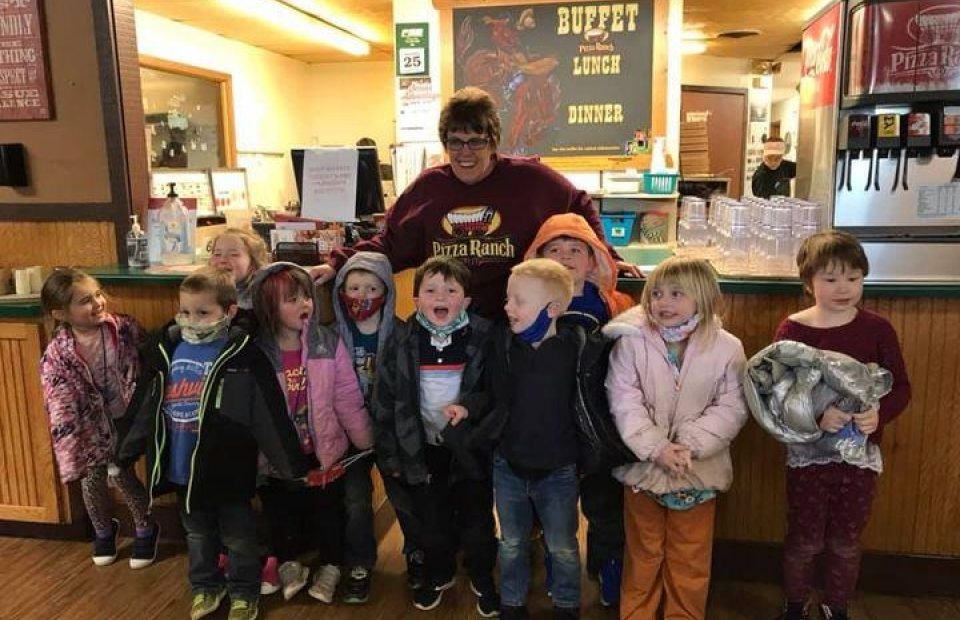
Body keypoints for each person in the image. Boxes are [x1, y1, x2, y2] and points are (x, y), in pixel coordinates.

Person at [311, 86, 640, 320]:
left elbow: (578, 205)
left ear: (493, 142)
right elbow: (390, 244)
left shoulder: (531, 179)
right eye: (455, 142)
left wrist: (607, 256)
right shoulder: (428, 188)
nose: (464, 152)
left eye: (475, 142)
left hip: (515, 321)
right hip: (447, 321)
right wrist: (339, 263)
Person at [115, 267, 308, 620]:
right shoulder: (166, 351)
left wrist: (290, 465)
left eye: (203, 312)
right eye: (186, 311)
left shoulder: (243, 356)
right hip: (181, 466)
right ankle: (205, 587)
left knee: (239, 536)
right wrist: (123, 453)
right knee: (197, 535)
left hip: (228, 467)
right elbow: (144, 407)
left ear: (229, 311)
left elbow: (268, 413)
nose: (192, 320)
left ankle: (244, 591)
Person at [772, 232, 911, 620]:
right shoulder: (793, 331)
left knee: (846, 541)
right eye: (831, 279)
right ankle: (795, 603)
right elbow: (778, 395)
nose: (843, 288)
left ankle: (836, 606)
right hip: (808, 456)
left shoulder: (878, 329)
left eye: (853, 278)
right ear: (808, 282)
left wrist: (879, 414)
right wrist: (815, 417)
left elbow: (901, 387)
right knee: (804, 539)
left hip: (859, 458)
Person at [603, 257, 749, 620]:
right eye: (656, 294)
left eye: (676, 294)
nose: (663, 302)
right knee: (643, 553)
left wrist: (689, 445)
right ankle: (636, 614)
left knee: (690, 556)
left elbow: (732, 405)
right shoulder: (630, 342)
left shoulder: (728, 348)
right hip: (643, 470)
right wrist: (656, 447)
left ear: (703, 298)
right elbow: (623, 400)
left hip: (697, 471)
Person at [371, 256, 499, 616]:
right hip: (421, 449)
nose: (440, 296)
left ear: (466, 300)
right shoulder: (400, 339)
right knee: (432, 522)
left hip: (469, 448)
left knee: (477, 520)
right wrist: (390, 456)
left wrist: (469, 408)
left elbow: (494, 392)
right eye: (430, 290)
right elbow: (384, 400)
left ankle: (482, 574)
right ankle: (439, 573)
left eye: (451, 290)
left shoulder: (484, 336)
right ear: (415, 300)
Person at [248, 262, 374, 606]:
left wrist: (364, 439)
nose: (305, 303)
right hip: (276, 455)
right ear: (268, 307)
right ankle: (289, 563)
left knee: (328, 512)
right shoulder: (258, 350)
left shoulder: (327, 342)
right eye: (292, 299)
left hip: (325, 450)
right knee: (281, 512)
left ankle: (331, 565)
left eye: (306, 296)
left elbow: (346, 395)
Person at [526, 212, 634, 607]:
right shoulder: (527, 303)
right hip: (549, 423)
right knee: (554, 506)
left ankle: (607, 565)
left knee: (604, 503)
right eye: (555, 249)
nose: (566, 256)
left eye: (576, 249)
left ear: (594, 260)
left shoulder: (614, 304)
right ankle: (558, 565)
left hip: (598, 423)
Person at [485, 259, 588, 620]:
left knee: (562, 546)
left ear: (552, 309)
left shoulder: (576, 350)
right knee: (511, 543)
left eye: (518, 300)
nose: (507, 307)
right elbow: (490, 395)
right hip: (509, 466)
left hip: (559, 470)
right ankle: (512, 603)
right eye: (507, 299)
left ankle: (567, 605)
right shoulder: (504, 346)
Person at [39, 268, 159, 569]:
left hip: (126, 418)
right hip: (89, 426)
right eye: (84, 301)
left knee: (121, 472)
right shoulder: (57, 354)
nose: (97, 303)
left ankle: (146, 527)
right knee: (92, 479)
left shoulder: (124, 329)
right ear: (60, 314)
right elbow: (59, 403)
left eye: (97, 294)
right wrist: (70, 450)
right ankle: (103, 531)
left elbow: (150, 361)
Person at [331, 252, 399, 603]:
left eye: (372, 288)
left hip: (391, 433)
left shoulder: (400, 333)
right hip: (349, 435)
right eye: (354, 287)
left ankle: (419, 557)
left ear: (386, 291)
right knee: (355, 501)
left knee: (405, 497)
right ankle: (359, 565)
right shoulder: (332, 337)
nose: (362, 295)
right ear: (341, 290)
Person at [208, 227, 270, 311]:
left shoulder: (260, 297)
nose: (222, 260)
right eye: (217, 254)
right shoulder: (205, 291)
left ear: (253, 263)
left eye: (233, 254)